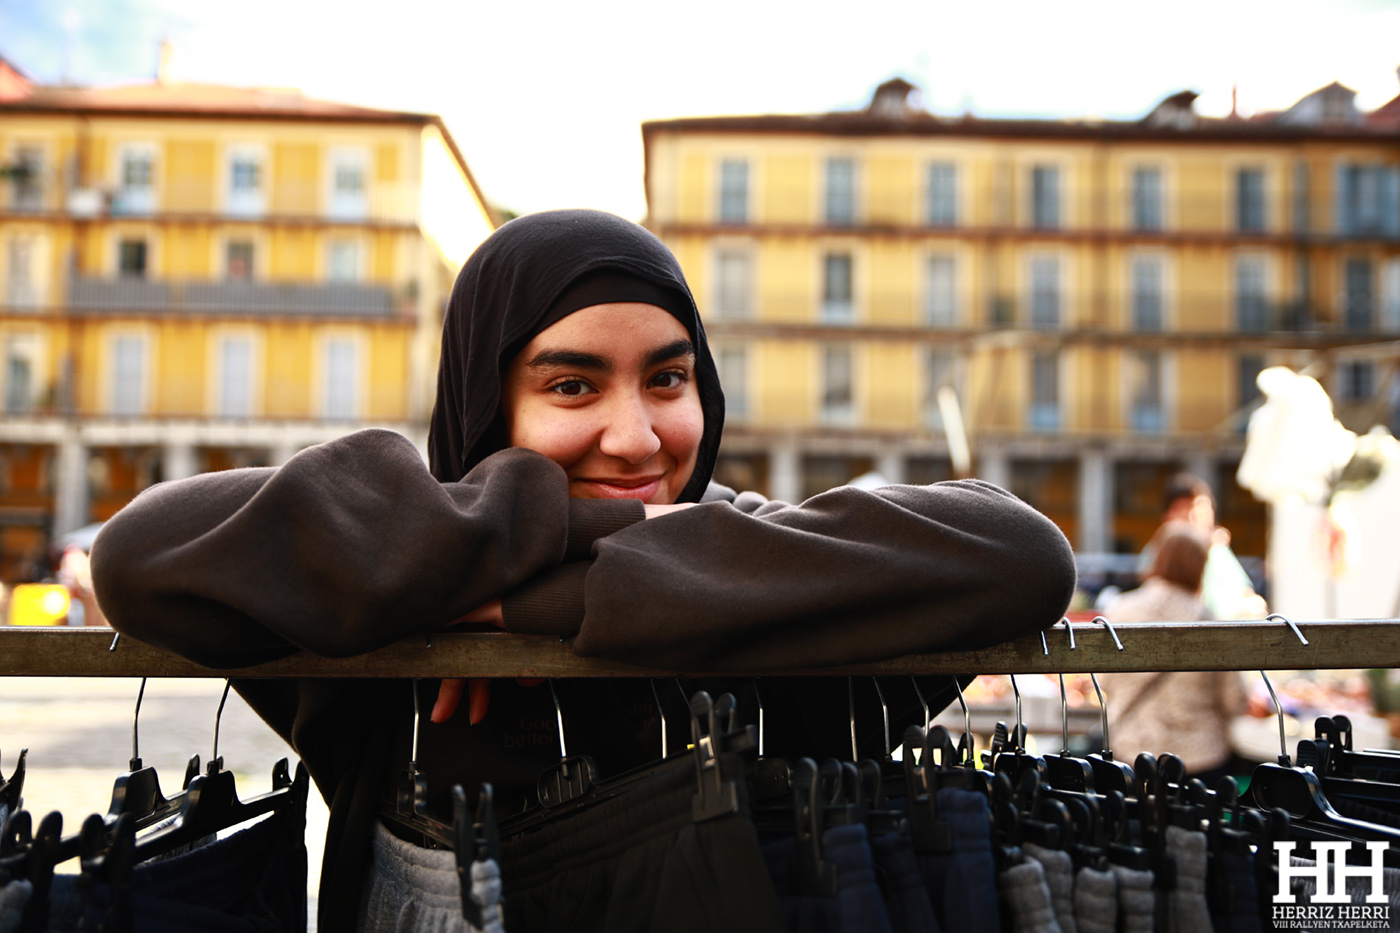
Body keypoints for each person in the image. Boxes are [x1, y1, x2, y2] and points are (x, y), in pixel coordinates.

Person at [91, 209, 1077, 930]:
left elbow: (1017, 554)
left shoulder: (758, 561)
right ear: (485, 407)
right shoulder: (390, 586)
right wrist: (497, 531)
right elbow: (140, 560)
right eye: (571, 385)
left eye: (667, 378)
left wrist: (534, 602)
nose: (638, 434)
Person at [1105, 521, 1247, 787]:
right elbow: (1234, 699)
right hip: (1201, 757)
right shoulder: (1209, 622)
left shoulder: (1122, 610)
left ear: (1159, 557)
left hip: (1133, 750)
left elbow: (1105, 681)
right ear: (1200, 567)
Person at [1139, 472, 1266, 620]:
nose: (1194, 516)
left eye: (1201, 508)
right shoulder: (1158, 552)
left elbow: (1245, 592)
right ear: (1169, 516)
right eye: (1185, 510)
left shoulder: (1218, 551)